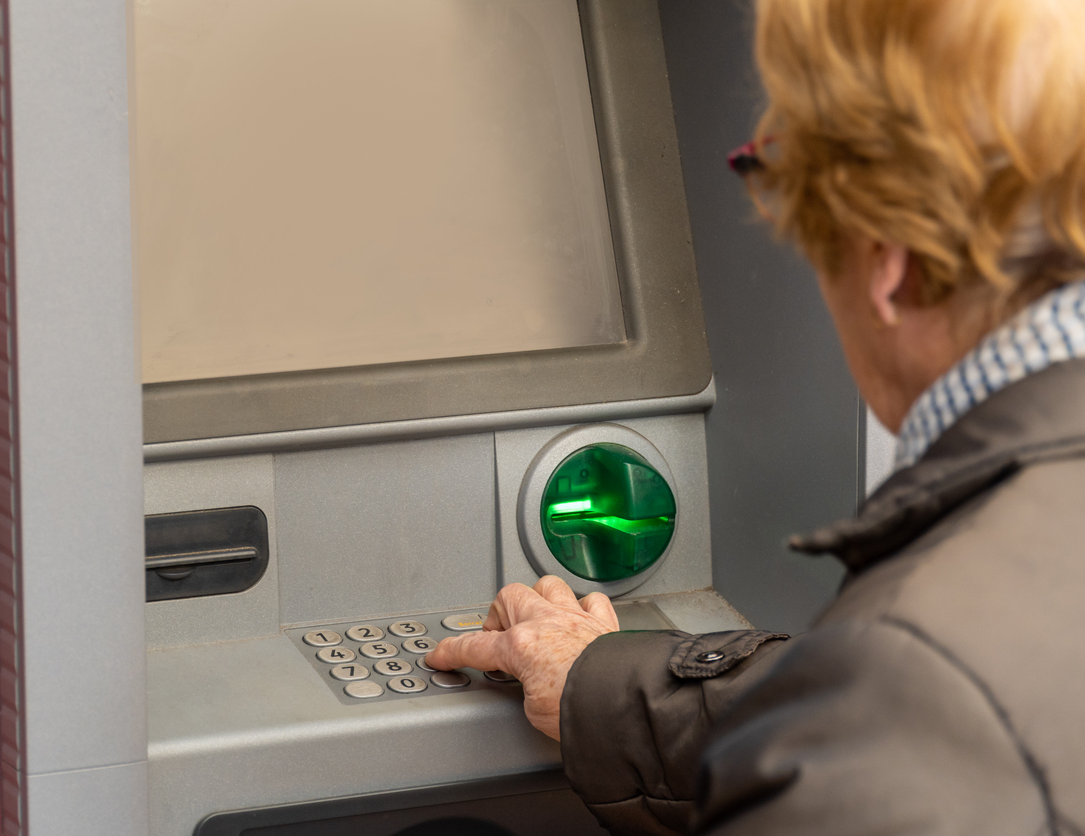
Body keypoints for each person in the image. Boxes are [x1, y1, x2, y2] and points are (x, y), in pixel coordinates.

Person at [426, 0, 1085, 832]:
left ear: (885, 258)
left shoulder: (914, 679)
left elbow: (903, 714)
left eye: (785, 182)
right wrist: (602, 683)